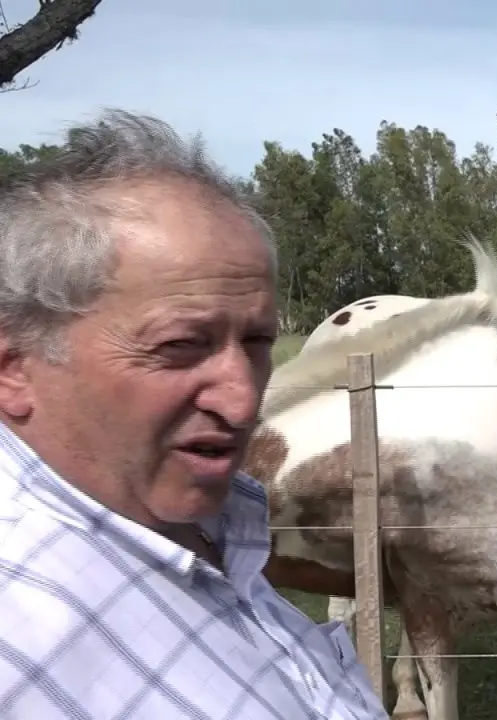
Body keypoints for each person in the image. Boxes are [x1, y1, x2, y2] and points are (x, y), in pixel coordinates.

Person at [0, 111, 389, 719]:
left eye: (258, 342)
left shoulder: (199, 530)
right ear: (14, 368)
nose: (242, 403)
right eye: (180, 346)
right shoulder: (21, 642)